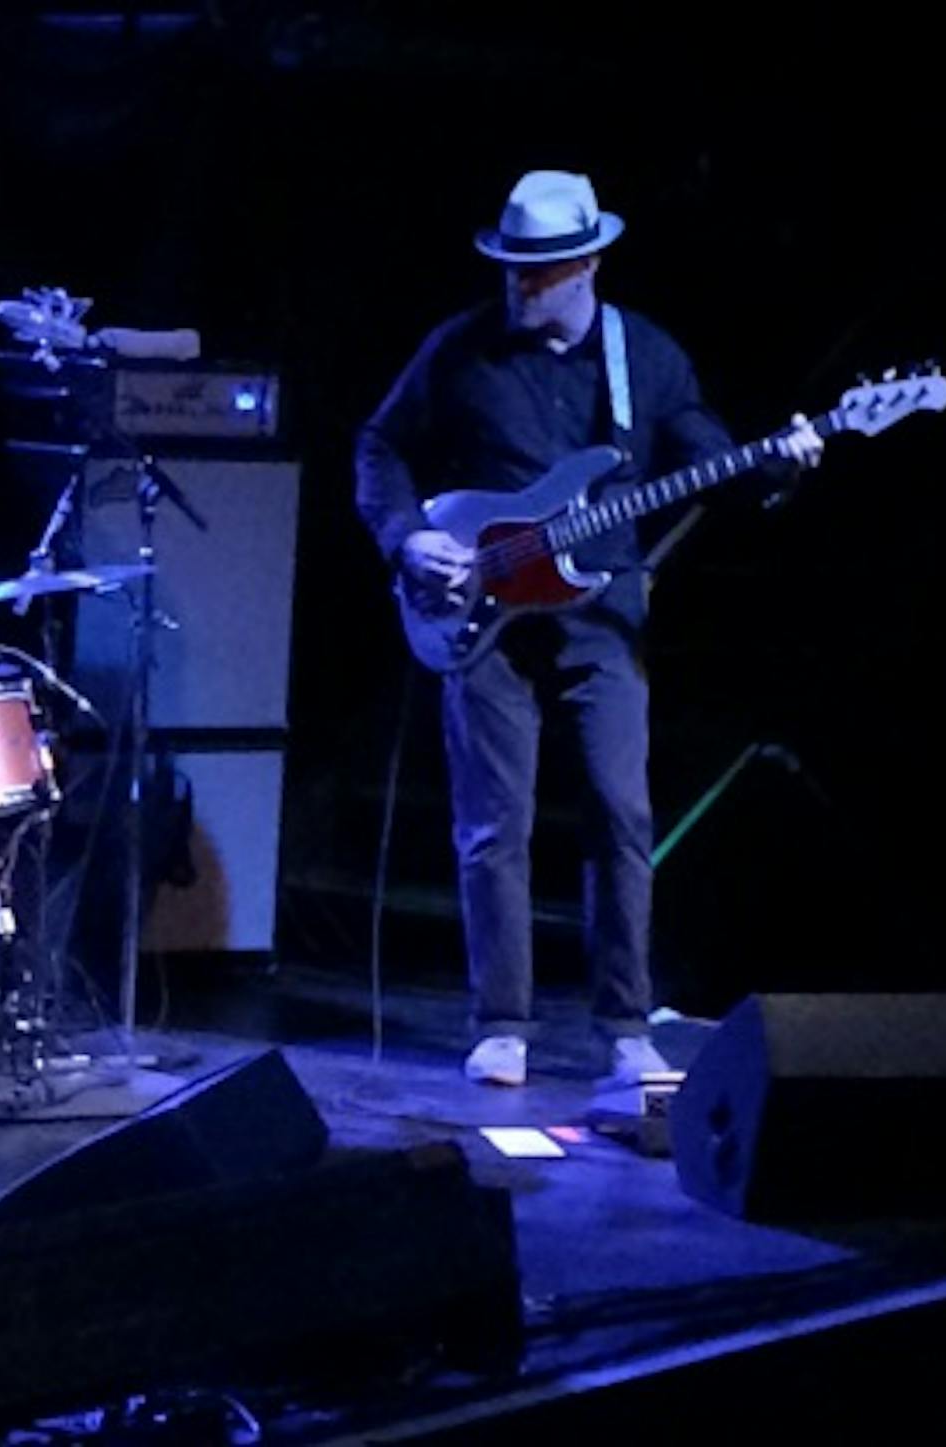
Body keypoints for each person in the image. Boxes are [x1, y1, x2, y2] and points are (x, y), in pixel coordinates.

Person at [354, 170, 822, 1088]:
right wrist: (410, 538)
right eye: (512, 271)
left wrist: (781, 466)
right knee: (495, 824)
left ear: (590, 263)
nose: (522, 288)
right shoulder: (461, 349)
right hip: (480, 614)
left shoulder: (642, 357)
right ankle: (502, 1024)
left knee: (621, 812)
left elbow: (712, 462)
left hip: (603, 616)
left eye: (542, 273)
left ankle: (622, 1024)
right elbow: (379, 445)